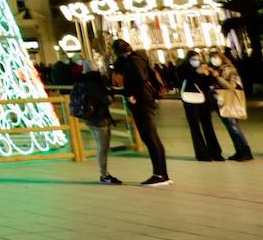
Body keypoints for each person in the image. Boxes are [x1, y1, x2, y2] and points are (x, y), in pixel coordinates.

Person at [111, 38, 170, 186]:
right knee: (152, 137)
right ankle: (163, 173)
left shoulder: (132, 61)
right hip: (146, 100)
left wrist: (131, 94)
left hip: (141, 101)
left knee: (150, 138)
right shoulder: (140, 58)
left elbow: (139, 78)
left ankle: (159, 174)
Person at [71, 57, 120, 185]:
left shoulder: (81, 81)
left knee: (101, 146)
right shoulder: (94, 82)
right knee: (102, 147)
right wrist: (110, 95)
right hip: (100, 119)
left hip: (90, 118)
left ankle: (104, 174)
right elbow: (106, 100)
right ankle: (104, 175)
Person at [204, 49, 253, 161]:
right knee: (229, 127)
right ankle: (239, 151)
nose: (214, 59)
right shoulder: (213, 69)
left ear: (221, 57)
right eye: (212, 57)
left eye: (216, 57)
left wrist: (217, 77)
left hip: (229, 101)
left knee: (234, 127)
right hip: (219, 102)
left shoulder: (229, 69)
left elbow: (231, 86)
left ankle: (246, 152)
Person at [178, 50, 225, 162]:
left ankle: (216, 152)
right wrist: (196, 73)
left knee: (208, 126)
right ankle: (202, 154)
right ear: (188, 60)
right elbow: (183, 82)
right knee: (195, 127)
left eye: (198, 59)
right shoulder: (182, 69)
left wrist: (209, 74)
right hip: (191, 102)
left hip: (204, 101)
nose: (196, 61)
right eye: (193, 59)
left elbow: (208, 84)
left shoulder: (203, 67)